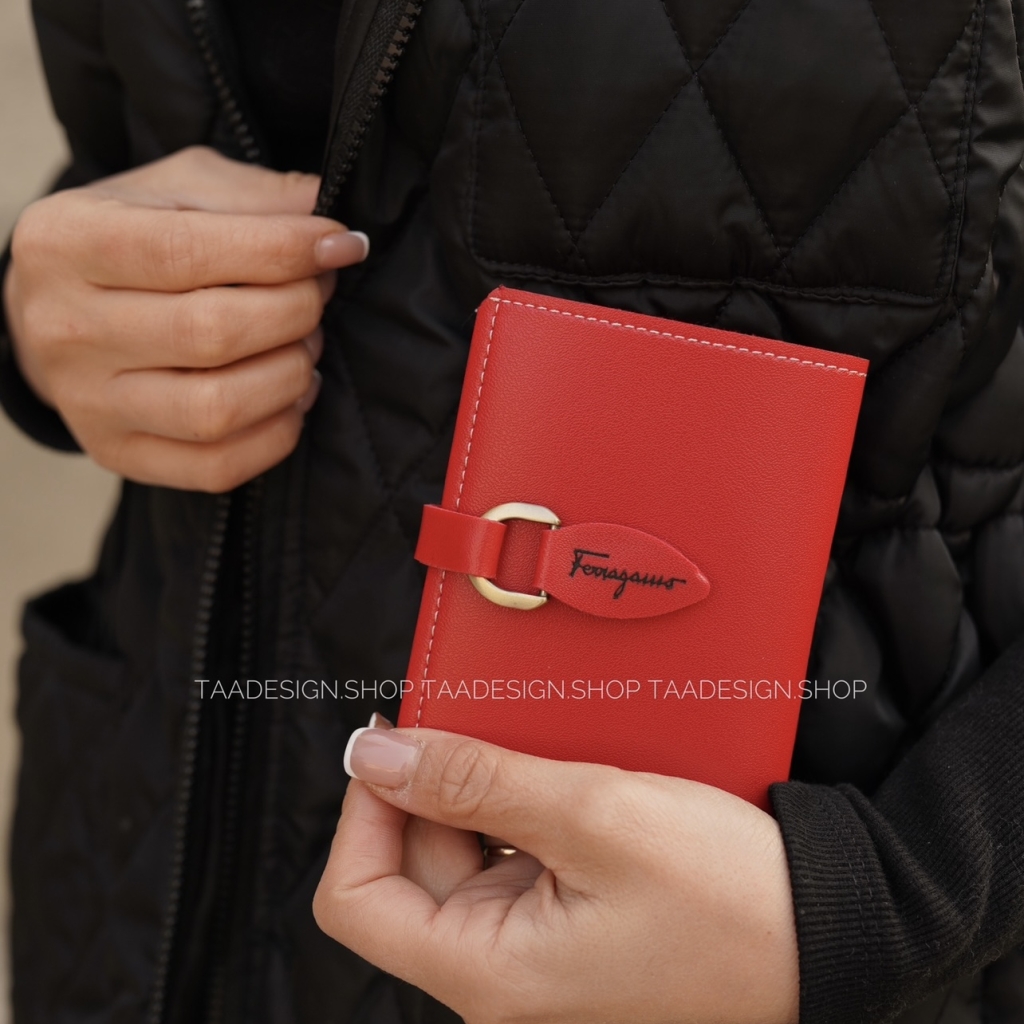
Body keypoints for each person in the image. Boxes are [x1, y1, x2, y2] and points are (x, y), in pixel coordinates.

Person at [2, 1, 1023, 1023]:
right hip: (141, 884)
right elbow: (147, 144)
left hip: (758, 962)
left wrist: (890, 899)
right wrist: (46, 317)